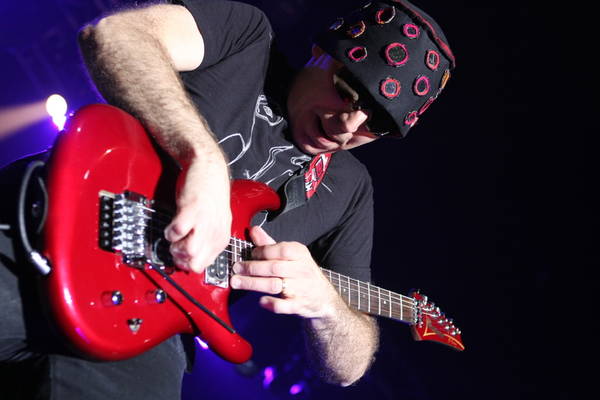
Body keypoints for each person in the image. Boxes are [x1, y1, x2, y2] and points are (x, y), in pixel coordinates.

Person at [0, 0, 455, 398]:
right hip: (44, 231)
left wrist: (327, 306)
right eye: (348, 90)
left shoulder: (350, 191)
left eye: (374, 123)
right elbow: (116, 35)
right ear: (321, 51)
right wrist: (203, 157)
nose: (347, 126)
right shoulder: (246, 38)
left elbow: (348, 367)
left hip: (142, 331)